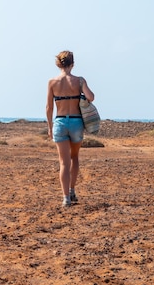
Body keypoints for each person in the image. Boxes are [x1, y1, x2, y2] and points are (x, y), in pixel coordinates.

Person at [46, 50, 95, 207]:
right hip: (76, 122)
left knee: (63, 162)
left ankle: (66, 198)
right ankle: (72, 190)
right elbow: (91, 97)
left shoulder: (52, 82)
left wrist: (49, 126)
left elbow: (48, 107)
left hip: (60, 122)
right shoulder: (79, 81)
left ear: (58, 63)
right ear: (72, 64)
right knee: (74, 158)